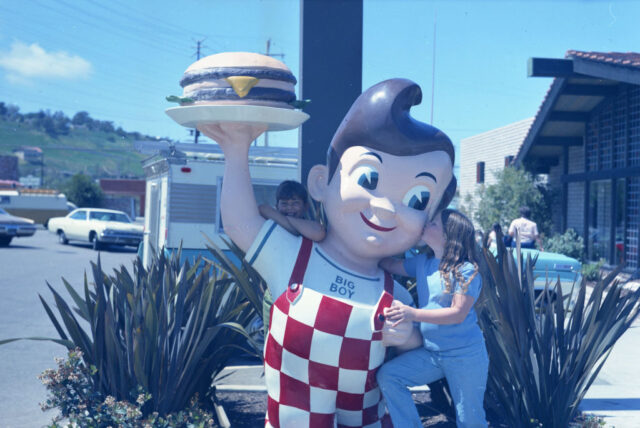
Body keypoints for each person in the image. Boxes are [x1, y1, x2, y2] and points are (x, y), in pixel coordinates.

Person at [197, 78, 456, 427]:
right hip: (298, 406)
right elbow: (241, 223)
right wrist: (236, 148)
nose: (386, 208)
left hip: (366, 407)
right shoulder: (294, 257)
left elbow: (416, 348)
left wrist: (408, 337)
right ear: (321, 182)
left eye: (417, 199)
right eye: (368, 179)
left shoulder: (392, 290)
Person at [377, 209, 488, 428]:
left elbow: (457, 314)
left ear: (449, 236)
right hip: (433, 354)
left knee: (470, 421)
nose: (425, 226)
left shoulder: (466, 271)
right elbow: (388, 265)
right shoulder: (422, 263)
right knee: (389, 377)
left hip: (465, 357)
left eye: (433, 224)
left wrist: (413, 314)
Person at [259, 180, 326, 336]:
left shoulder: (312, 226)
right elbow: (262, 209)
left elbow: (319, 233)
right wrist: (292, 224)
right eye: (284, 203)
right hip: (273, 293)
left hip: (304, 294)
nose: (289, 207)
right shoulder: (271, 217)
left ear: (305, 207)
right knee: (272, 342)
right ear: (277, 205)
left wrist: (285, 222)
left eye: (295, 203)